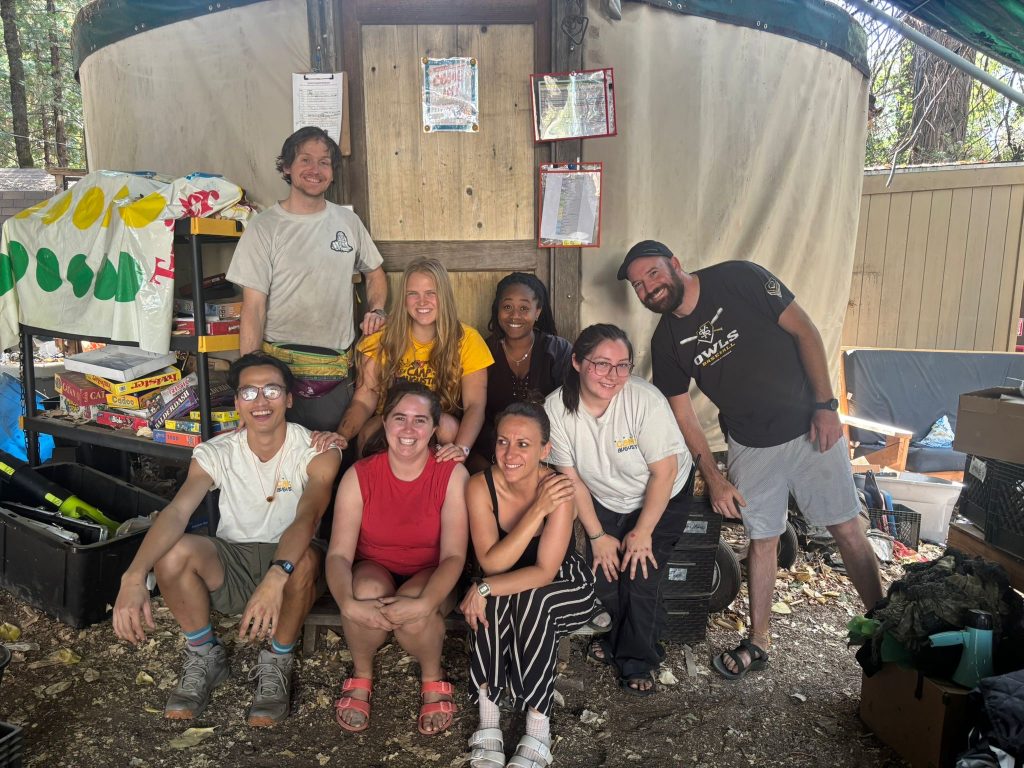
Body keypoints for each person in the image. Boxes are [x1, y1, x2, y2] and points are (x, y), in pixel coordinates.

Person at [618, 239, 884, 680]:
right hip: (749, 443)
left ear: (676, 265)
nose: (648, 288)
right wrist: (713, 475)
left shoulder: (739, 278)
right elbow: (681, 410)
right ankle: (759, 640)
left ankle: (883, 621)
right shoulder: (666, 339)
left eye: (652, 274)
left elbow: (805, 331)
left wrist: (826, 405)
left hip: (808, 426)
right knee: (763, 539)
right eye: (638, 285)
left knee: (846, 529)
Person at [112, 352, 341, 726]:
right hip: (231, 560)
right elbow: (176, 513)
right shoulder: (215, 452)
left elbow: (308, 514)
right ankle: (205, 656)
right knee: (173, 554)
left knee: (304, 561)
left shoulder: (318, 450)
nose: (260, 401)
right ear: (236, 402)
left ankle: (277, 662)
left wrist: (275, 577)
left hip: (290, 564)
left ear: (289, 398)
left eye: (271, 390)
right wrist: (134, 575)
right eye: (249, 393)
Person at [544, 324, 694, 695]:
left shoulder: (645, 400)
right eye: (601, 364)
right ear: (578, 362)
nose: (612, 376)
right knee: (606, 573)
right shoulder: (556, 408)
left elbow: (665, 471)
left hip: (664, 492)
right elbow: (571, 477)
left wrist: (642, 533)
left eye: (622, 365)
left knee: (641, 574)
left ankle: (637, 659)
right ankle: (617, 637)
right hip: (606, 494)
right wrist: (597, 536)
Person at [325, 381, 469, 735]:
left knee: (416, 609)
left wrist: (426, 603)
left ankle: (432, 677)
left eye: (420, 420)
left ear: (435, 429)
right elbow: (339, 554)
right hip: (374, 566)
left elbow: (453, 556)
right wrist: (346, 602)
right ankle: (362, 674)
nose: (408, 429)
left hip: (432, 570)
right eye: (399, 418)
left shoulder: (452, 474)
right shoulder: (360, 475)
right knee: (364, 592)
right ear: (385, 423)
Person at [461, 401, 596, 768]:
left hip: (562, 584)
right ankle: (489, 722)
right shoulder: (480, 487)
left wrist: (486, 586)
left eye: (524, 444)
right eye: (503, 442)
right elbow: (491, 561)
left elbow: (543, 572)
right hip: (506, 579)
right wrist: (537, 510)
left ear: (544, 450)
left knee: (530, 599)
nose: (511, 453)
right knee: (498, 598)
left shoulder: (559, 488)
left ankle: (538, 730)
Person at [228, 126, 388, 432]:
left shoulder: (347, 221)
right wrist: (251, 383)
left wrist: (376, 310)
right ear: (287, 167)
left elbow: (375, 273)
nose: (315, 170)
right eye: (305, 160)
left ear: (332, 172)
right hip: (279, 374)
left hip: (335, 375)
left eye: (324, 162)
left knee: (329, 456)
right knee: (276, 461)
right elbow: (254, 308)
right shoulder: (265, 227)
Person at [314, 258, 493, 463]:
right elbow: (365, 397)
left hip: (438, 427)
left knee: (448, 427)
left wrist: (461, 448)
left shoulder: (467, 339)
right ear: (404, 299)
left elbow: (475, 405)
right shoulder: (381, 336)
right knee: (367, 432)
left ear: (444, 296)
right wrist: (342, 436)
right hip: (390, 425)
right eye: (413, 294)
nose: (422, 302)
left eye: (430, 293)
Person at [467, 272, 572, 472]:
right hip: (493, 453)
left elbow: (570, 413)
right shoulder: (481, 351)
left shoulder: (557, 351)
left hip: (548, 455)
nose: (515, 315)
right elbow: (472, 413)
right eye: (507, 307)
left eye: (524, 308)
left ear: (538, 311)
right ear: (497, 309)